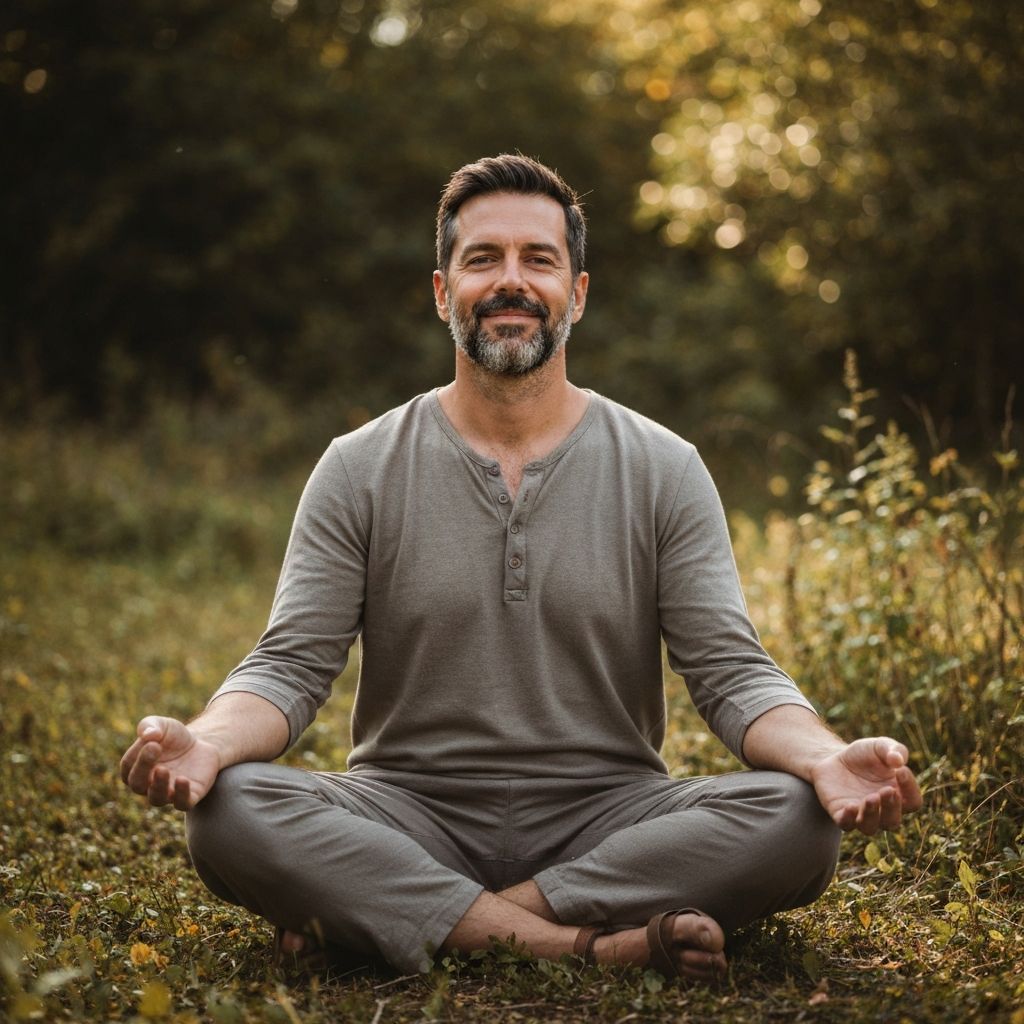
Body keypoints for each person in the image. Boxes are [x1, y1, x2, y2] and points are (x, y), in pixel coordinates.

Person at [120, 154, 922, 982]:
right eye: (483, 259)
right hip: (405, 811)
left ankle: (398, 917)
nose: (512, 281)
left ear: (576, 293)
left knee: (797, 818)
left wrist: (825, 758)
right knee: (228, 813)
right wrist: (207, 743)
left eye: (538, 259)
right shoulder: (357, 466)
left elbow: (731, 673)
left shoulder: (664, 467)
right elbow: (290, 665)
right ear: (442, 292)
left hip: (610, 816)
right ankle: (592, 946)